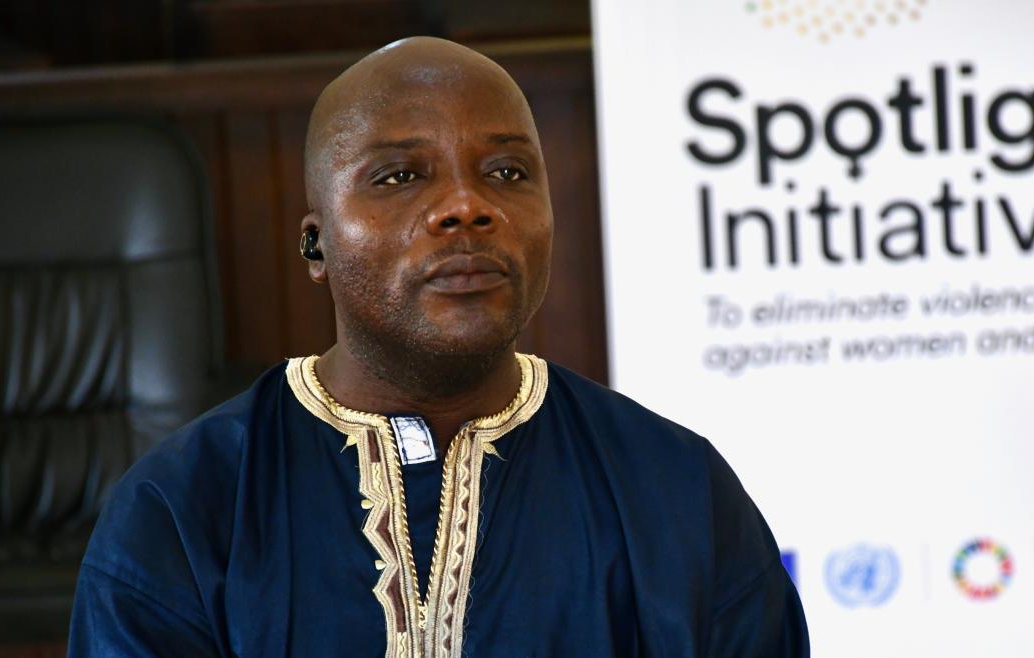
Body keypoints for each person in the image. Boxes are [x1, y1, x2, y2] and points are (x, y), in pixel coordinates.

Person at [68, 36, 809, 658]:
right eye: (399, 176)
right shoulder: (181, 511)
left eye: (507, 173)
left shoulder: (678, 493)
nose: (465, 207)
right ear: (314, 242)